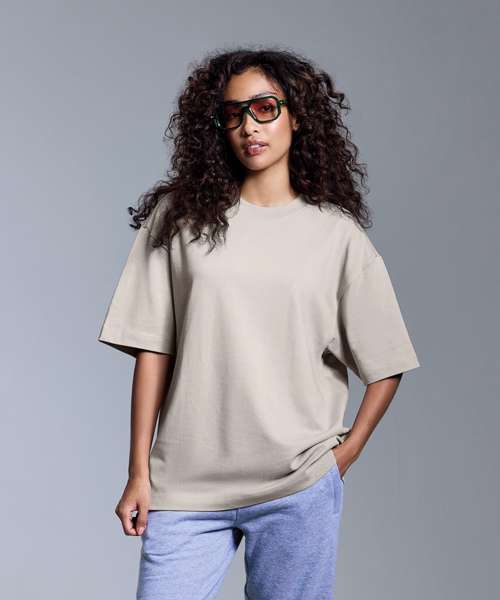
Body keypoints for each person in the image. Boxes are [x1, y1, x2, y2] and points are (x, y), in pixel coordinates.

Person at [97, 47, 420, 600]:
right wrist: (138, 474)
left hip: (296, 486)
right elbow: (153, 350)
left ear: (297, 116)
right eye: (233, 113)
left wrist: (342, 457)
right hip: (186, 488)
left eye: (265, 108)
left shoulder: (336, 237)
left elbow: (387, 363)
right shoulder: (179, 221)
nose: (249, 126)